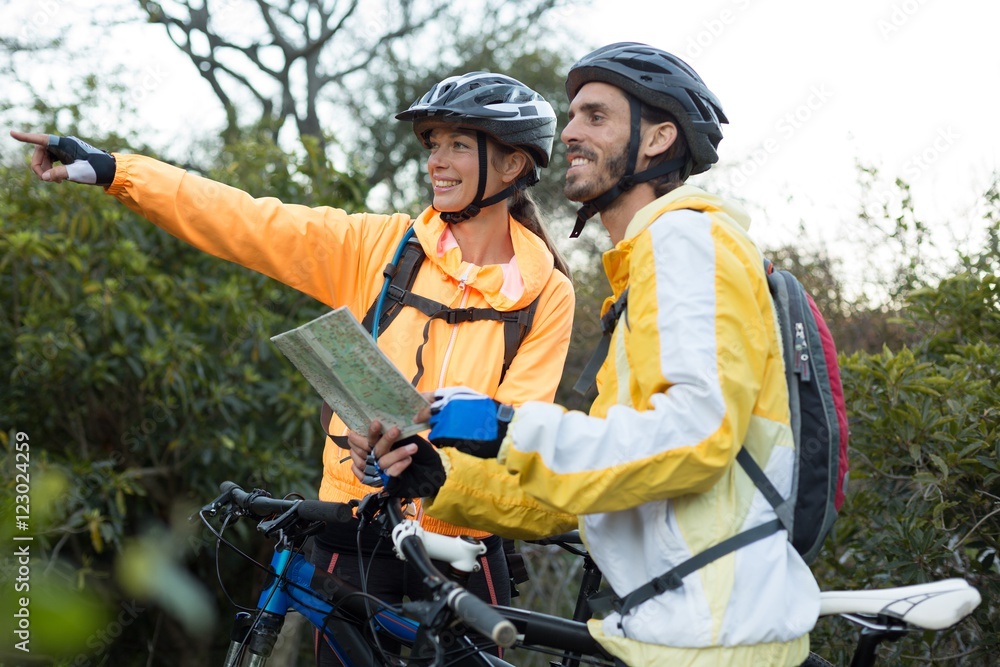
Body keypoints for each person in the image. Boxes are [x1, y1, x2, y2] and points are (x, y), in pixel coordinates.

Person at [11, 71, 575, 663]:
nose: (436, 160)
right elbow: (248, 221)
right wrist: (116, 171)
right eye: (433, 144)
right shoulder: (382, 248)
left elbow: (516, 426)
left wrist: (430, 482)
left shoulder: (546, 293)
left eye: (458, 144)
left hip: (464, 551)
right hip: (354, 530)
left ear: (513, 166)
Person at [372, 43, 820, 666]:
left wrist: (507, 425)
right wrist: (444, 478)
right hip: (668, 629)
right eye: (573, 115)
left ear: (660, 137)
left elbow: (696, 435)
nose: (572, 132)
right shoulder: (640, 277)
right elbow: (598, 483)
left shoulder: (685, 240)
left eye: (596, 116)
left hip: (711, 641)